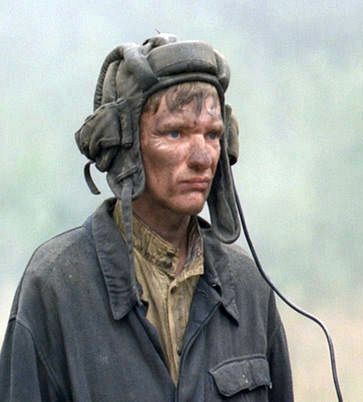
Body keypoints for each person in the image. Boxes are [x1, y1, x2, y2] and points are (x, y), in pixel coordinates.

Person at [0, 34, 293, 401]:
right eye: (175, 132)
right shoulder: (57, 285)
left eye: (212, 134)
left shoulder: (248, 288)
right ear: (125, 146)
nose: (202, 157)